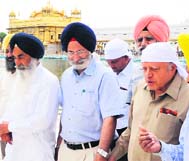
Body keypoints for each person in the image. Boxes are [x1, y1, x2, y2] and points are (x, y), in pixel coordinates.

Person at [109, 42, 189, 161]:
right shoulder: (140, 87)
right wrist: (112, 157)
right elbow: (131, 130)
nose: (148, 75)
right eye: (144, 69)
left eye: (154, 69)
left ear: (172, 68)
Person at [56, 22, 124, 161]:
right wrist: (58, 146)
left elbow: (110, 118)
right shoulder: (66, 76)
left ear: (90, 49)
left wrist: (102, 154)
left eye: (80, 51)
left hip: (92, 152)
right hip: (66, 151)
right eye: (71, 52)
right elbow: (66, 113)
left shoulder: (105, 76)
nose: (75, 58)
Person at [0, 32, 60, 161]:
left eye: (21, 56)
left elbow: (42, 121)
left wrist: (9, 126)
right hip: (14, 150)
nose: (17, 62)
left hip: (37, 152)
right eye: (15, 57)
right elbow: (10, 106)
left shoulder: (49, 81)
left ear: (34, 56)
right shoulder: (19, 78)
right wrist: (4, 129)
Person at [0, 34, 15, 159]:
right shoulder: (4, 75)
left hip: (20, 132)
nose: (8, 55)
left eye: (12, 51)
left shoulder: (30, 77)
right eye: (6, 51)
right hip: (3, 132)